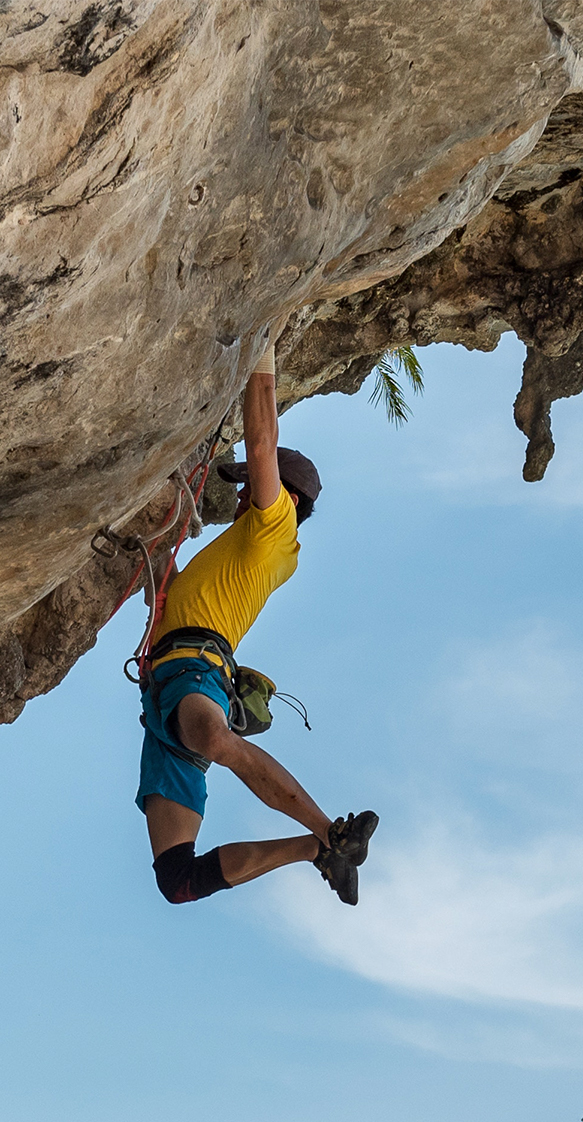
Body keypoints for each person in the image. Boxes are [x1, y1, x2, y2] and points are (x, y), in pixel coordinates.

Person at [137, 339, 377, 907]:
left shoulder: (275, 528)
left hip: (193, 673)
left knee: (216, 739)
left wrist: (261, 345)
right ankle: (321, 851)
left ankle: (330, 834)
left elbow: (263, 437)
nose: (241, 492)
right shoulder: (257, 545)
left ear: (285, 497)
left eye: (250, 483)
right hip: (169, 695)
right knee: (178, 880)